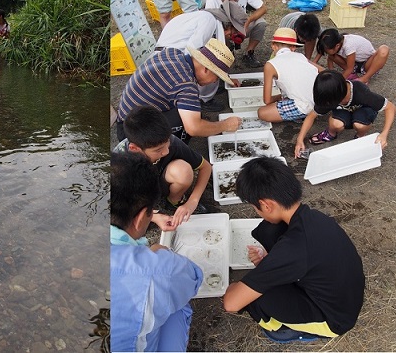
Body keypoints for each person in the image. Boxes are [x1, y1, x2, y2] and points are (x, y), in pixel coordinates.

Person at [223, 156, 365, 343]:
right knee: (269, 229)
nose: (256, 212)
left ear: (266, 205)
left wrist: (234, 286)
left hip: (335, 318)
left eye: (254, 207)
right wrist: (268, 262)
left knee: (258, 299)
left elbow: (231, 303)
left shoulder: (294, 248)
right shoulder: (314, 217)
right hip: (344, 295)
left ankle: (282, 328)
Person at [110, 151, 203, 351]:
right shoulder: (158, 268)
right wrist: (159, 253)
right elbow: (193, 278)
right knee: (176, 304)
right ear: (143, 216)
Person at [116, 38, 242, 144]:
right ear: (206, 69)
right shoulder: (186, 84)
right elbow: (194, 128)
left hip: (127, 116)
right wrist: (225, 125)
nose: (215, 82)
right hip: (131, 132)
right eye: (217, 77)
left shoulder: (173, 53)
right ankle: (169, 158)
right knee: (187, 121)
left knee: (193, 110)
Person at [114, 105, 213, 228]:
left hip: (161, 182)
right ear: (134, 149)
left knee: (183, 171)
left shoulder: (166, 140)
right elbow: (116, 205)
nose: (166, 151)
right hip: (136, 195)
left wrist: (192, 201)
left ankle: (174, 201)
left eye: (167, 144)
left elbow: (206, 167)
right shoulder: (119, 163)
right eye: (158, 150)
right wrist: (153, 217)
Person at [155, 0, 248, 109]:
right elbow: (193, 53)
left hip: (168, 56)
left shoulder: (208, 17)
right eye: (233, 32)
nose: (231, 35)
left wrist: (226, 78)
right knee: (207, 66)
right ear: (228, 26)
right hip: (170, 60)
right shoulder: (208, 20)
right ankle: (203, 100)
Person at [295, 70, 396, 155]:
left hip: (363, 111)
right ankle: (330, 133)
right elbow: (312, 115)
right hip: (344, 112)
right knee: (336, 124)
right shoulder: (330, 95)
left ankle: (360, 137)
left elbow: (390, 108)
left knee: (360, 125)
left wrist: (384, 134)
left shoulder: (361, 92)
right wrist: (300, 139)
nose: (327, 104)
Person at [257, 28, 322, 123]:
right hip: (319, 100)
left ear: (273, 46)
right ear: (293, 48)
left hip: (305, 106)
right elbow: (323, 70)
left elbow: (267, 100)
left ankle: (303, 114)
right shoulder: (301, 56)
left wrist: (279, 97)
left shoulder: (270, 65)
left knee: (262, 112)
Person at [205, 0, 267, 68]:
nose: (229, 1)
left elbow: (263, 8)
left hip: (242, 26)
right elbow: (209, 21)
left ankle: (248, 53)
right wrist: (225, 31)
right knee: (217, 36)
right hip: (223, 30)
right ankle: (228, 52)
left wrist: (249, 20)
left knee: (260, 23)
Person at [315, 28, 389, 84]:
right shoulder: (337, 41)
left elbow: (349, 68)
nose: (326, 52)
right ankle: (352, 74)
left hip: (367, 64)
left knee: (384, 49)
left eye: (327, 50)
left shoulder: (349, 45)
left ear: (337, 46)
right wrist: (331, 73)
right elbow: (329, 59)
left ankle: (365, 78)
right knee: (332, 56)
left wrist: (338, 82)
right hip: (354, 63)